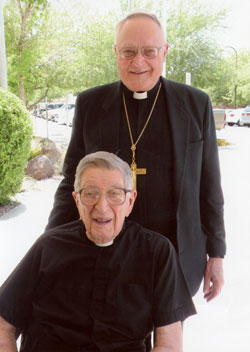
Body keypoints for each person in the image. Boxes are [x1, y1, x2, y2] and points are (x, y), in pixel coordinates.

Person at [46, 10, 226, 301]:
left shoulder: (195, 103)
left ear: (164, 52)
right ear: (116, 52)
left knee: (169, 341)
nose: (138, 62)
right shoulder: (91, 104)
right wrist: (50, 242)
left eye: (149, 51)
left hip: (175, 257)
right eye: (128, 52)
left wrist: (217, 253)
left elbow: (209, 184)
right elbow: (72, 182)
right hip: (106, 254)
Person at [0, 151, 196, 352]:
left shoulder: (157, 253)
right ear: (77, 200)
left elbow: (169, 345)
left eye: (114, 194)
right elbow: (3, 324)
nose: (101, 207)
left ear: (130, 201)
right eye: (90, 194)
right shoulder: (48, 246)